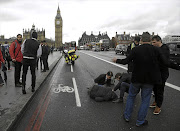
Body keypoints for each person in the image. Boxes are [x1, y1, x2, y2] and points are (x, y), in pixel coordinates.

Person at [112, 32, 168, 127]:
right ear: (150, 40)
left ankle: (127, 116)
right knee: (145, 100)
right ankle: (140, 121)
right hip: (149, 81)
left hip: (136, 79)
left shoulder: (135, 50)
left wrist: (116, 60)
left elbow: (126, 61)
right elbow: (165, 62)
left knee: (131, 97)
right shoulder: (156, 50)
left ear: (141, 40)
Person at [150, 35, 170, 114]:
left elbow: (163, 60)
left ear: (159, 41)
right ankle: (156, 101)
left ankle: (159, 106)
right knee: (154, 88)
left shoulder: (165, 48)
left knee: (160, 89)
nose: (153, 44)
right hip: (155, 72)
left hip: (162, 73)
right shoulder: (156, 49)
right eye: (152, 42)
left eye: (154, 42)